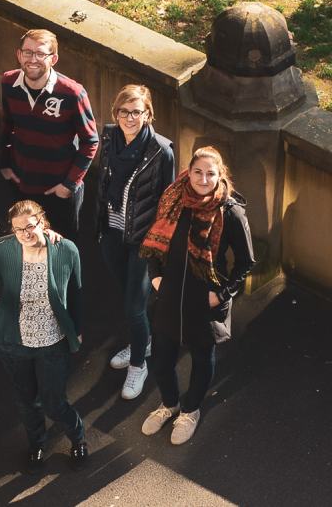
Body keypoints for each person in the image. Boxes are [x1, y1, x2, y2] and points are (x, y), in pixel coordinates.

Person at [140, 147, 255, 445]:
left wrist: (221, 294)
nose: (203, 179)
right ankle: (169, 404)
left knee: (202, 358)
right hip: (168, 295)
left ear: (220, 176)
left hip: (203, 300)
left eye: (210, 173)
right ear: (188, 172)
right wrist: (155, 277)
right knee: (162, 360)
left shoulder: (230, 212)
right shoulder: (173, 199)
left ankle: (190, 410)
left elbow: (246, 262)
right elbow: (155, 243)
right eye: (198, 172)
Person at [0, 200, 87, 474]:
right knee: (26, 401)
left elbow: (76, 292)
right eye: (18, 230)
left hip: (51, 342)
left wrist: (77, 328)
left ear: (43, 221)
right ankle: (37, 443)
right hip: (13, 344)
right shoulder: (6, 251)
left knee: (54, 402)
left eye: (31, 226)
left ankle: (77, 437)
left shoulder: (65, 250)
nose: (26, 233)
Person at [95, 85, 175, 400]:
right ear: (116, 113)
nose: (130, 118)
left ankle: (138, 364)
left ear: (147, 114)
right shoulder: (108, 138)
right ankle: (143, 341)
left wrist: (158, 244)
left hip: (142, 240)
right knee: (130, 301)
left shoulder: (160, 150)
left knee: (134, 305)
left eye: (137, 112)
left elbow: (168, 202)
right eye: (124, 112)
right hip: (112, 232)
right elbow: (103, 182)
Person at [0, 29, 99, 240]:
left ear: (53, 59)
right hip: (22, 187)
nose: (32, 59)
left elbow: (90, 141)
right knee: (25, 245)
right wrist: (5, 165)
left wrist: (69, 184)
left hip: (59, 191)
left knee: (61, 251)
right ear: (19, 55)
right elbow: (7, 125)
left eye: (40, 54)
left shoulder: (72, 93)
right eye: (27, 52)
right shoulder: (8, 83)